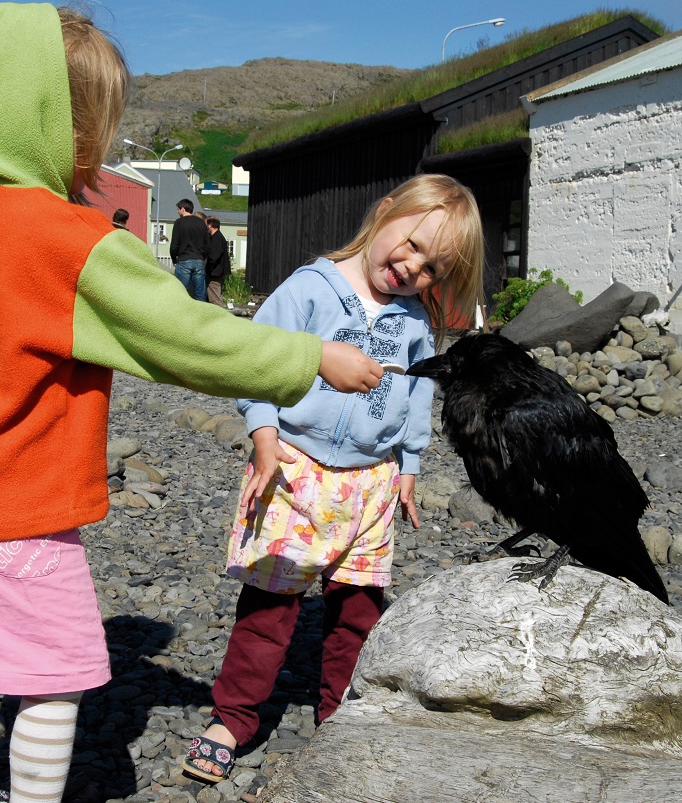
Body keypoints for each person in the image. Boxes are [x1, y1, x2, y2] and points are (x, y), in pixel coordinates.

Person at [0, 6, 384, 803]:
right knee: (51, 678)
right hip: (17, 512)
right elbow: (186, 337)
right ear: (68, 130)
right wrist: (309, 356)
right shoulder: (63, 240)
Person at [181, 173, 485, 785]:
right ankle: (234, 716)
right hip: (295, 468)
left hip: (371, 480)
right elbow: (256, 358)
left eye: (432, 268)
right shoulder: (309, 289)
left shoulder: (415, 322)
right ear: (386, 212)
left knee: (358, 610)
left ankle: (340, 713)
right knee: (271, 606)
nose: (413, 268)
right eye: (413, 244)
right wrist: (264, 436)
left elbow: (417, 392)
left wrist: (410, 465)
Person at [169, 198, 209, 301]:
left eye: (178, 209)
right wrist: (202, 257)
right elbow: (207, 244)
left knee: (180, 292)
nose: (178, 211)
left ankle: (180, 315)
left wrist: (174, 259)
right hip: (199, 259)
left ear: (182, 209)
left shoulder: (179, 223)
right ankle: (202, 315)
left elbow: (174, 244)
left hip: (184, 260)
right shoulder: (201, 223)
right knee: (200, 293)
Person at [204, 215, 230, 306]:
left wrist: (206, 267)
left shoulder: (217, 238)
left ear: (210, 224)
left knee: (215, 300)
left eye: (205, 223)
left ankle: (220, 318)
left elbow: (214, 257)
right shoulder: (216, 237)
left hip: (215, 273)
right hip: (215, 272)